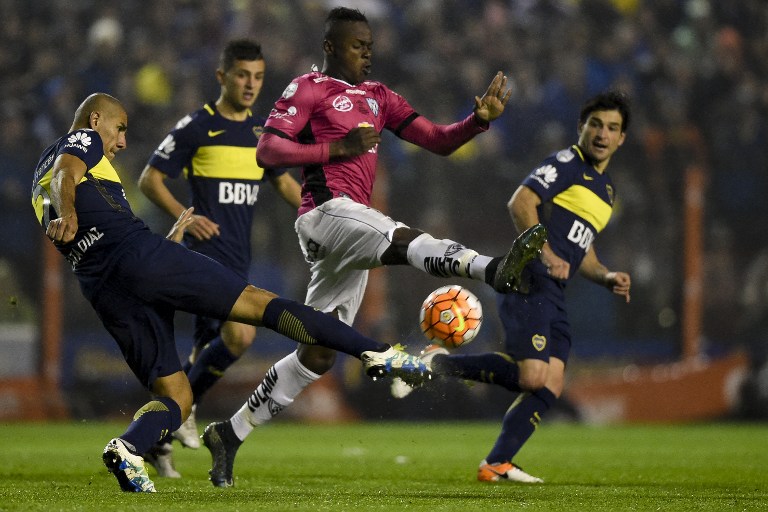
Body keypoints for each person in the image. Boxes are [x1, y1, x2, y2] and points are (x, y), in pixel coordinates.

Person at [200, 6, 547, 488]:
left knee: (318, 354)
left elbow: (439, 141)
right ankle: (493, 270)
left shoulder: (380, 97)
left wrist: (477, 121)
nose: (367, 52)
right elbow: (269, 150)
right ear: (330, 47)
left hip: (350, 229)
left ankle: (229, 433)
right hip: (324, 214)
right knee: (400, 237)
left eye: (370, 44)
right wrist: (335, 150)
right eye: (356, 44)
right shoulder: (308, 88)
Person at [31, 92, 430, 493]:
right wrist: (70, 212)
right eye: (119, 129)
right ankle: (378, 352)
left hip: (102, 286)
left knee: (177, 396)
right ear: (95, 119)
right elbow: (69, 172)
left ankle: (128, 448)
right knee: (259, 304)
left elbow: (86, 210)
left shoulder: (37, 177)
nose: (121, 142)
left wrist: (152, 238)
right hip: (137, 256)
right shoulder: (80, 140)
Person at [392, 90, 633, 483]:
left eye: (612, 128)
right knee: (533, 377)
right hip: (530, 279)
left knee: (550, 385)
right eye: (595, 125)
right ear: (581, 127)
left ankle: (497, 463)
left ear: (622, 138)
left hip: (556, 293)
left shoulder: (606, 190)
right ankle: (437, 364)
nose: (602, 134)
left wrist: (604, 275)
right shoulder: (567, 162)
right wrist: (546, 250)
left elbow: (583, 248)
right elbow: (521, 203)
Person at [137, 39, 302, 476]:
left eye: (258, 77)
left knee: (209, 350)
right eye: (243, 75)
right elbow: (149, 179)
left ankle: (162, 427)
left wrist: (319, 215)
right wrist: (184, 218)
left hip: (237, 257)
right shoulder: (197, 126)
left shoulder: (260, 134)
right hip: (202, 256)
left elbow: (283, 183)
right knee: (239, 338)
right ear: (222, 77)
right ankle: (175, 416)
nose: (250, 85)